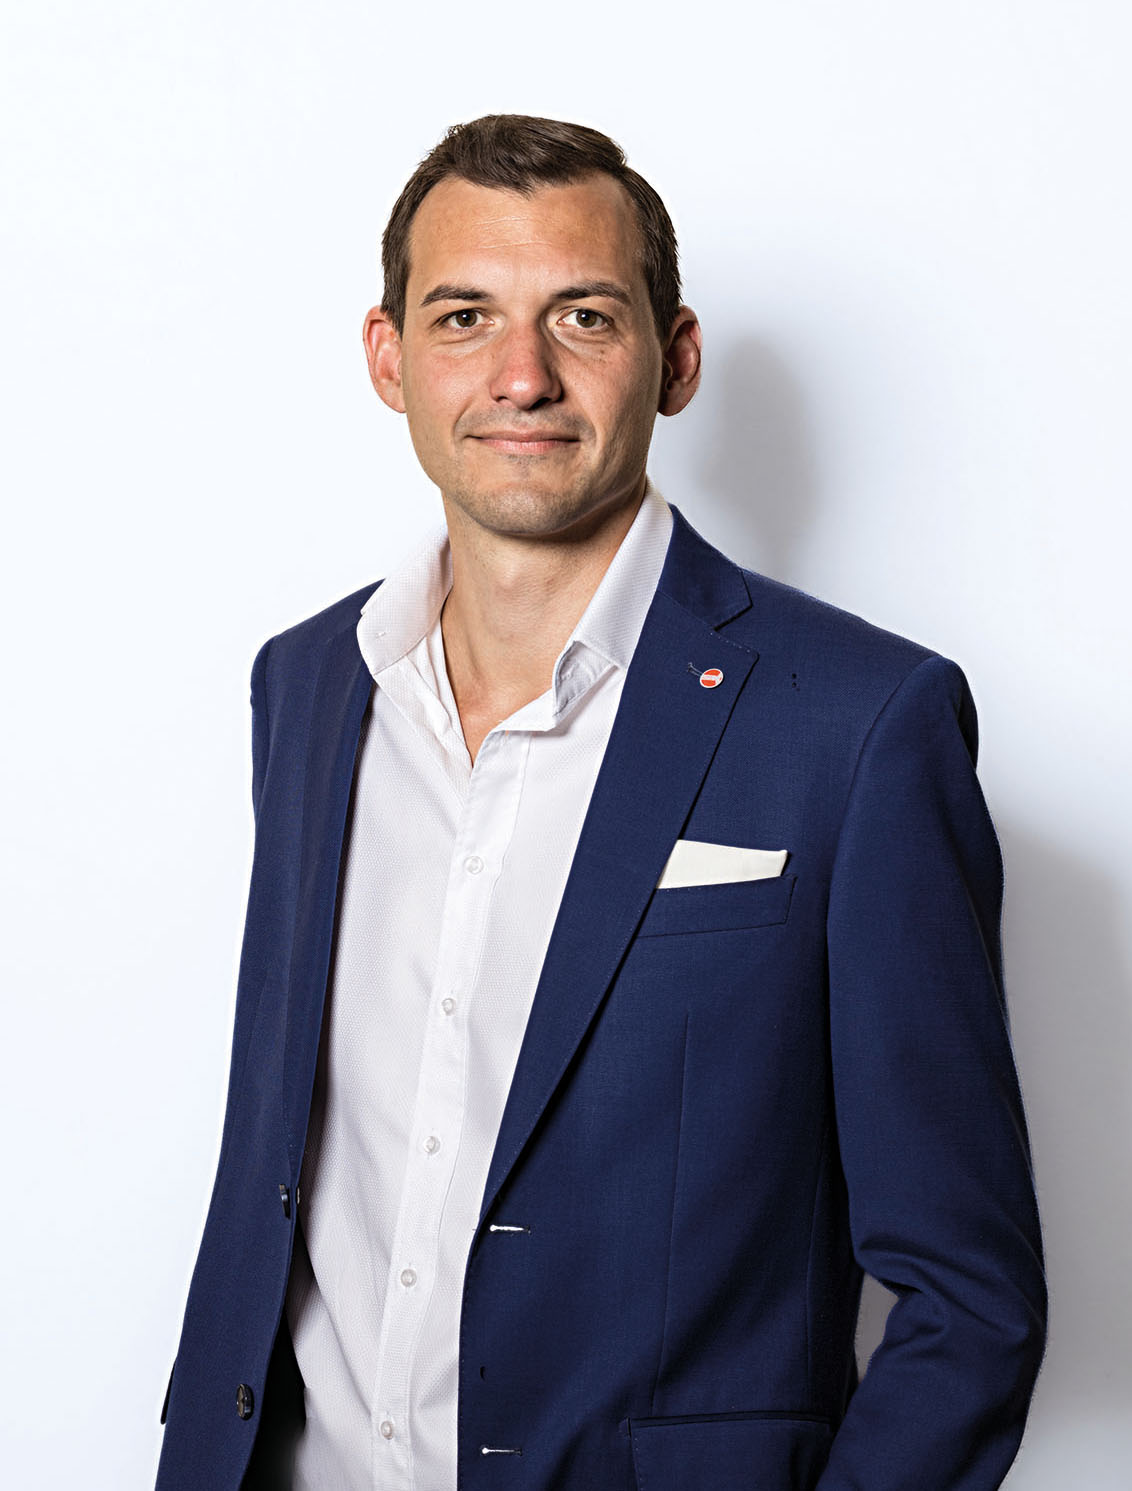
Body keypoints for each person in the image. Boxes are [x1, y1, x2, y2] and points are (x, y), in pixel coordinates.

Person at [154, 114, 1046, 1491]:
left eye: (582, 316)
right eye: (464, 317)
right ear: (389, 358)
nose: (522, 376)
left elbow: (968, 1298)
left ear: (673, 360)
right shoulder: (311, 686)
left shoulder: (860, 727)